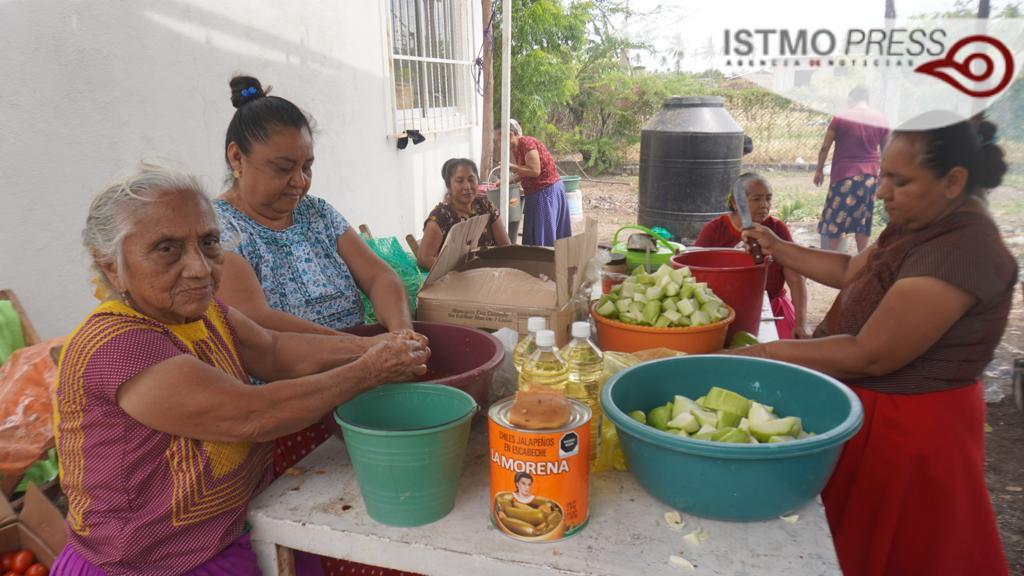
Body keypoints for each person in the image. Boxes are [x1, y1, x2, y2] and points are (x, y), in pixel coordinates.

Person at [51, 164, 429, 576]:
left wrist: (374, 346)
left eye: (209, 243)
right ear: (109, 264)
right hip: (152, 563)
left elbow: (275, 350)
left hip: (228, 532)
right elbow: (253, 416)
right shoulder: (118, 345)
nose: (198, 267)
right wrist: (369, 369)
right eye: (167, 249)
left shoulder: (205, 312)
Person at [734, 113, 1014, 576]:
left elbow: (871, 352)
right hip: (873, 411)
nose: (881, 191)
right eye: (883, 174)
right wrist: (775, 246)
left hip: (913, 431)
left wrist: (763, 354)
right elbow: (850, 273)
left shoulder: (961, 251)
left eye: (898, 180)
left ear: (954, 181)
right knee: (852, 542)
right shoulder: (920, 221)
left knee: (903, 548)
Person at [214, 75, 413, 336]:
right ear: (237, 157)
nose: (299, 181)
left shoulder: (317, 213)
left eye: (307, 167)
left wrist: (402, 332)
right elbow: (256, 321)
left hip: (365, 361)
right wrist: (364, 350)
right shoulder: (217, 231)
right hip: (291, 376)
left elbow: (379, 277)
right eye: (283, 168)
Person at [694, 172, 809, 339]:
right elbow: (695, 273)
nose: (764, 205)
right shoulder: (715, 230)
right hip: (721, 307)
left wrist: (801, 323)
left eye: (768, 198)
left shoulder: (777, 230)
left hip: (773, 304)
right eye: (757, 199)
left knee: (789, 350)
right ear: (735, 202)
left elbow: (795, 277)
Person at [813, 85, 889, 252]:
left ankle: (832, 258)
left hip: (844, 177)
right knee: (863, 219)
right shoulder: (881, 119)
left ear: (851, 100)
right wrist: (883, 175)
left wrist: (819, 170)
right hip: (869, 177)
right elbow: (887, 151)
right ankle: (862, 260)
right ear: (868, 100)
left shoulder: (841, 118)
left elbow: (825, 146)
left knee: (835, 220)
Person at [416, 158, 511, 270]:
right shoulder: (441, 216)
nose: (467, 186)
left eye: (471, 179)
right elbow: (424, 258)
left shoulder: (486, 207)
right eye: (460, 181)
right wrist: (456, 276)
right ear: (449, 186)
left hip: (490, 276)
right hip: (457, 282)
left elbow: (506, 247)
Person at [494, 119, 572, 246]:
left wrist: (512, 167)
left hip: (546, 191)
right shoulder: (517, 148)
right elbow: (525, 171)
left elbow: (534, 170)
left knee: (544, 236)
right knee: (536, 235)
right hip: (537, 193)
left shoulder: (526, 142)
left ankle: (546, 262)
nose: (498, 144)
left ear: (510, 134)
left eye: (499, 140)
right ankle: (537, 261)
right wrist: (506, 181)